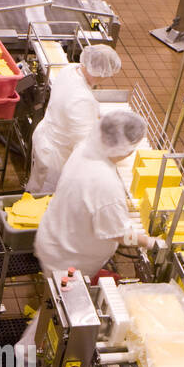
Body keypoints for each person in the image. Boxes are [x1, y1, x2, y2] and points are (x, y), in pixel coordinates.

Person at [18, 111, 158, 353]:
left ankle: (37, 345)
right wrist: (150, 242)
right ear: (126, 150)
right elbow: (117, 233)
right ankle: (28, 351)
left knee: (55, 300)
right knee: (57, 306)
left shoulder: (87, 147)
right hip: (70, 258)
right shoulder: (105, 184)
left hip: (55, 236)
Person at [26, 44, 122, 195]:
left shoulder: (70, 69)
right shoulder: (81, 100)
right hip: (57, 156)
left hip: (46, 137)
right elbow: (83, 144)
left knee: (37, 183)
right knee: (46, 197)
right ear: (100, 73)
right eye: (107, 75)